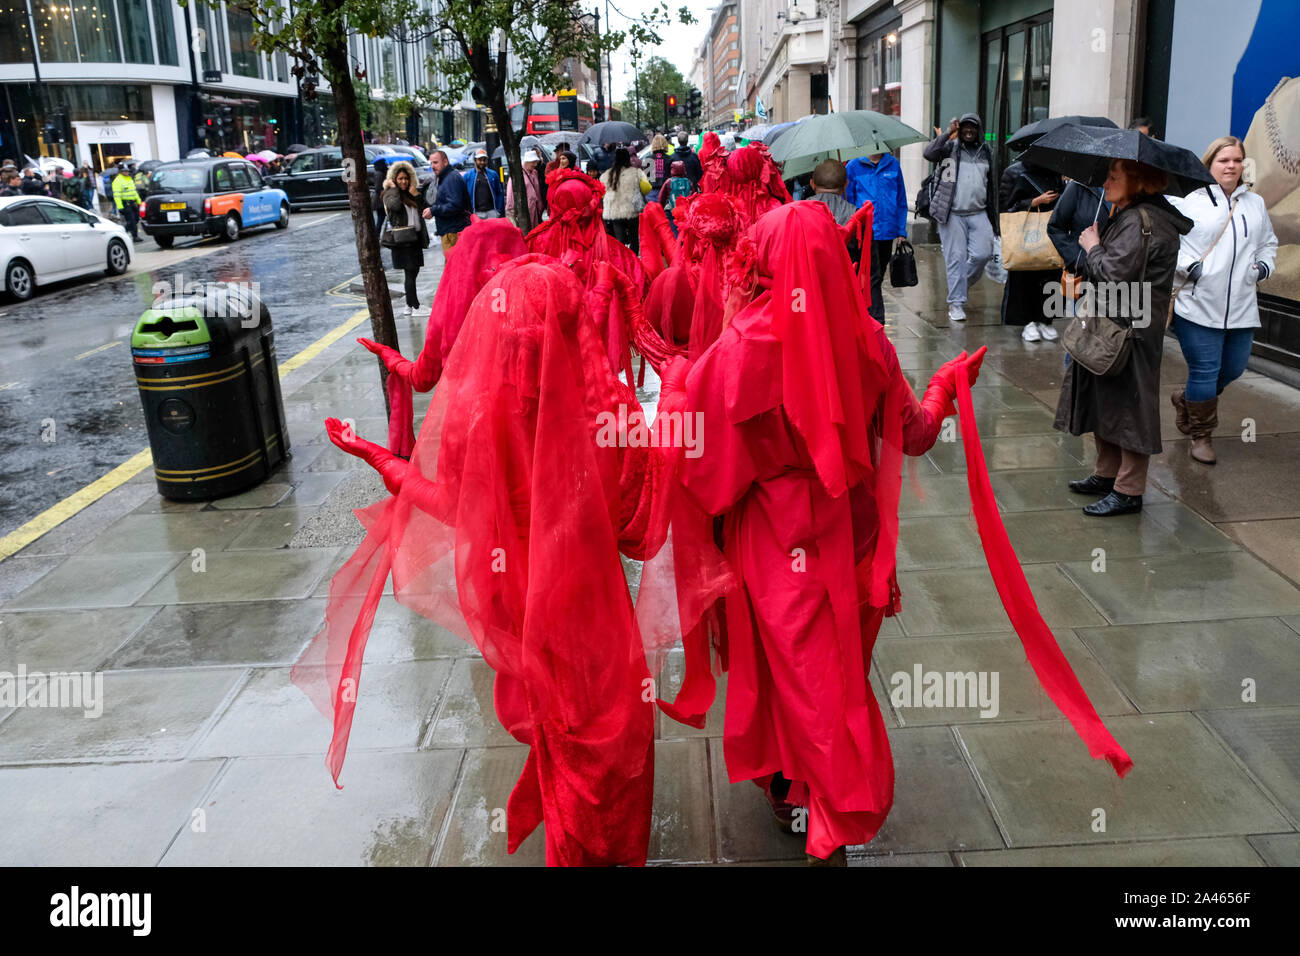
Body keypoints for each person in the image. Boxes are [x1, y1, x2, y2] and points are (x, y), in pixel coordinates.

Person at [296, 258, 693, 866]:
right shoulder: (605, 418)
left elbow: (449, 505)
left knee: (560, 738)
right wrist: (677, 384)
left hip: (525, 609)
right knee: (610, 741)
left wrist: (380, 459)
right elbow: (643, 522)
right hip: (592, 615)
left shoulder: (480, 420)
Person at [677, 201, 989, 864]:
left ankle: (812, 794)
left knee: (792, 668)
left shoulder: (737, 348)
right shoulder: (865, 338)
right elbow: (915, 433)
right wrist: (945, 385)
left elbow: (701, 470)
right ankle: (819, 796)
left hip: (771, 540)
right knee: (834, 672)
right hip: (853, 539)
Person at [1055, 159, 1193, 516]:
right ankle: (1107, 474)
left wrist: (1092, 245)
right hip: (1117, 324)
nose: (1107, 180)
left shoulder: (1141, 220)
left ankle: (1128, 490)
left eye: (1115, 175)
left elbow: (1115, 275)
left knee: (1131, 405)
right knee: (1107, 398)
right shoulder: (1133, 213)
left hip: (1131, 329)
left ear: (1139, 180)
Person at [1167, 136, 1277, 465]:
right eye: (1223, 160)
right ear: (1209, 164)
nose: (1231, 165)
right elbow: (1168, 243)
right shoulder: (1188, 200)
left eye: (1237, 160)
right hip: (1197, 304)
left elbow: (1267, 242)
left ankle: (1187, 400)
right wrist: (1192, 268)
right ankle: (1201, 435)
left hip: (1242, 306)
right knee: (1205, 370)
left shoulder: (1253, 203)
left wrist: (1263, 268)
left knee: (1233, 368)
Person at [922, 113, 999, 322]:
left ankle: (959, 284)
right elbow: (928, 153)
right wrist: (947, 134)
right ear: (960, 128)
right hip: (951, 213)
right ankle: (956, 304)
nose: (968, 131)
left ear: (978, 130)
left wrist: (995, 222)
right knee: (955, 259)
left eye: (973, 128)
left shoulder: (986, 152)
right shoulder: (949, 148)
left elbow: (991, 187)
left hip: (979, 212)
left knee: (983, 254)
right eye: (965, 127)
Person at [998, 154, 1064, 341]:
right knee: (1024, 277)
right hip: (1024, 232)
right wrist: (1034, 202)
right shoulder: (1013, 172)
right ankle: (1027, 322)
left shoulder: (1054, 172)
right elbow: (1005, 207)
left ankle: (1046, 319)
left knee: (1051, 275)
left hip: (1050, 231)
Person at [844, 150, 910, 321]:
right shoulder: (853, 166)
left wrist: (901, 230)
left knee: (878, 276)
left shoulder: (893, 164)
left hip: (887, 232)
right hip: (864, 233)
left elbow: (901, 200)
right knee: (869, 277)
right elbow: (849, 201)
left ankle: (869, 310)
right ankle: (871, 315)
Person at [1047, 178, 1112, 323]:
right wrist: (1079, 258)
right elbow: (1055, 227)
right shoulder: (1079, 187)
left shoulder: (1133, 193)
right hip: (1087, 275)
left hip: (1119, 277)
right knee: (1086, 330)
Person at [379, 160, 429, 317]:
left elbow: (423, 208)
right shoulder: (389, 194)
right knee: (409, 273)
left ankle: (409, 306)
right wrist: (393, 189)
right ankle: (415, 306)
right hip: (402, 240)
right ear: (394, 179)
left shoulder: (410, 193)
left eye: (406, 178)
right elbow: (395, 207)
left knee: (413, 273)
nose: (403, 181)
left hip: (414, 239)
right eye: (400, 178)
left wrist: (417, 195)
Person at [600, 147, 649, 255]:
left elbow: (602, 193)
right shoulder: (636, 172)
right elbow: (647, 188)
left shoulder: (606, 175)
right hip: (632, 210)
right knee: (634, 238)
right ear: (628, 158)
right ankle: (634, 260)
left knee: (620, 240)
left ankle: (622, 261)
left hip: (614, 211)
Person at [423, 148, 471, 254]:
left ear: (445, 162)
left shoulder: (451, 178)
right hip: (450, 230)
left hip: (453, 232)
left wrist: (434, 210)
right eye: (431, 163)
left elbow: (455, 205)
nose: (433, 166)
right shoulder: (445, 177)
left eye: (435, 162)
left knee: (454, 266)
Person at [505, 148, 544, 232]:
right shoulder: (517, 173)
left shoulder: (534, 173)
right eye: (533, 162)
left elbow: (537, 191)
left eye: (536, 162)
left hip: (535, 210)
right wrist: (511, 211)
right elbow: (510, 193)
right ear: (527, 161)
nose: (535, 164)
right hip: (523, 211)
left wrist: (540, 206)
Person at [463, 148, 504, 219]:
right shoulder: (468, 176)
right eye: (480, 160)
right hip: (476, 213)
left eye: (484, 160)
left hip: (492, 212)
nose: (482, 162)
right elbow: (463, 195)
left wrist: (498, 210)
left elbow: (499, 193)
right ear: (475, 160)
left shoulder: (493, 174)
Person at [657, 160, 694, 235]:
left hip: (672, 210)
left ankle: (677, 243)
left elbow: (661, 198)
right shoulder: (688, 182)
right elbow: (694, 195)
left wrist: (660, 209)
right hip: (686, 211)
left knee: (674, 230)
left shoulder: (668, 182)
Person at [110, 165, 140, 241]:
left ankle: (124, 231)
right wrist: (120, 207)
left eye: (127, 171)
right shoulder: (117, 181)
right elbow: (117, 195)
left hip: (132, 202)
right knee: (131, 220)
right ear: (121, 172)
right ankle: (135, 236)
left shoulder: (129, 179)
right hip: (125, 203)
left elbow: (134, 191)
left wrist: (139, 201)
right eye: (125, 171)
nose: (127, 172)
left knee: (136, 218)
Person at [647, 133, 672, 198]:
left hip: (651, 191)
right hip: (665, 191)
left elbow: (646, 177)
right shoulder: (669, 159)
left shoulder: (648, 159)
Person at [372, 157, 388, 234]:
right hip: (380, 201)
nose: (386, 164)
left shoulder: (381, 172)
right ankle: (376, 234)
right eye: (384, 163)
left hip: (380, 200)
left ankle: (377, 234)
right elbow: (378, 188)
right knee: (381, 218)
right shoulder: (379, 174)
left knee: (381, 218)